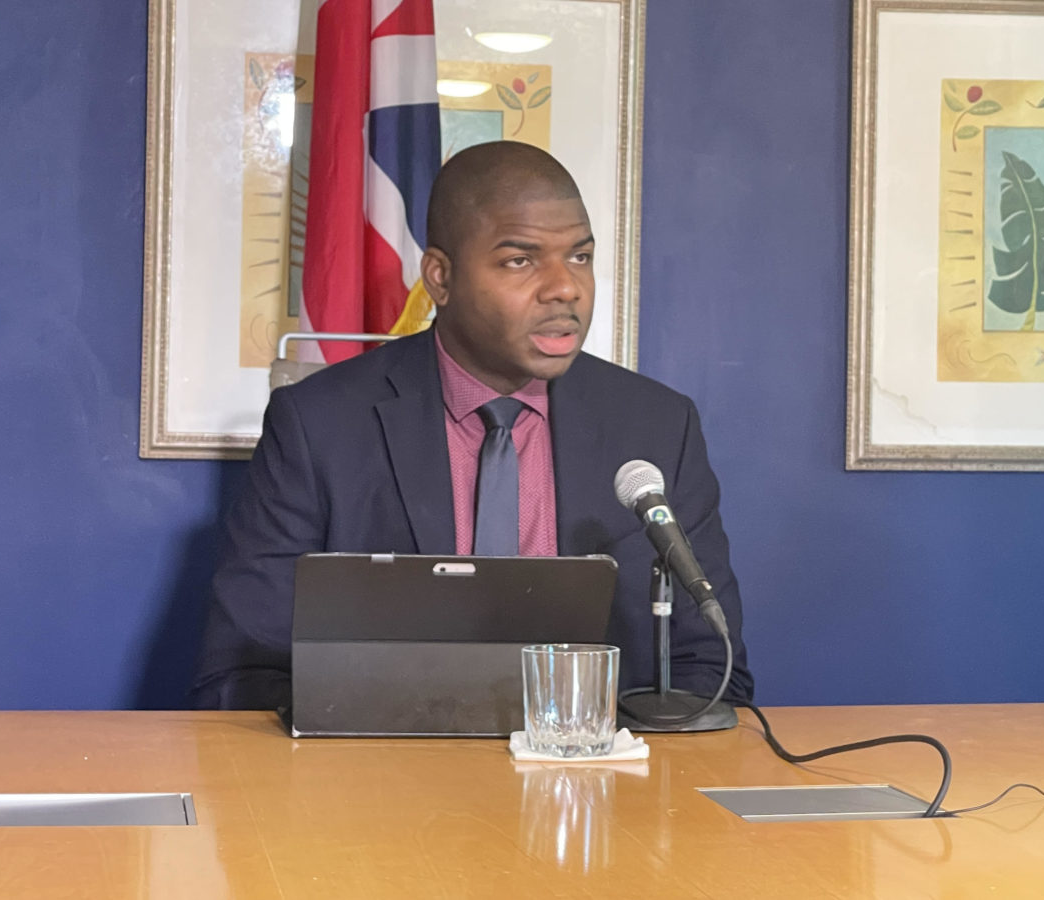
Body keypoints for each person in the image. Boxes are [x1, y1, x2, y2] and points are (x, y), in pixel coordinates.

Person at [192, 141, 753, 709]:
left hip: (596, 762)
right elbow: (242, 675)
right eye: (521, 260)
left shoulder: (657, 426)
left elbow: (711, 668)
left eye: (580, 256)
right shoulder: (320, 425)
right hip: (385, 763)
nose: (565, 287)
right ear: (440, 277)